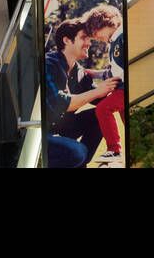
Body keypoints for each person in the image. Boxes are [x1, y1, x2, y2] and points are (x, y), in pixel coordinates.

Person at [44, 19, 120, 168]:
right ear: (67, 40)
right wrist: (98, 91)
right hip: (40, 134)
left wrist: (120, 79)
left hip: (61, 127)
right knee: (77, 152)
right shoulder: (48, 64)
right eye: (84, 37)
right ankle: (76, 160)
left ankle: (80, 164)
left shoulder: (79, 71)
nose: (89, 43)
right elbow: (62, 104)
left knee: (99, 114)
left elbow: (101, 99)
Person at [80, 5, 127, 161]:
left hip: (124, 88)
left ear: (108, 23)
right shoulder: (114, 42)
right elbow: (112, 72)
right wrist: (93, 73)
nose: (96, 37)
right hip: (119, 87)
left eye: (96, 33)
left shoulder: (121, 37)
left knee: (102, 109)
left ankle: (114, 150)